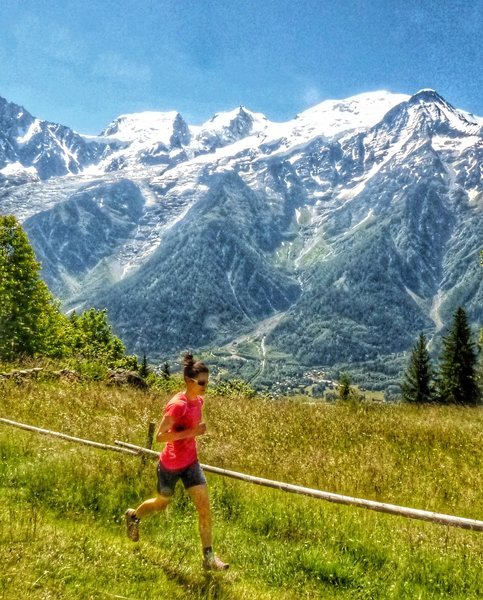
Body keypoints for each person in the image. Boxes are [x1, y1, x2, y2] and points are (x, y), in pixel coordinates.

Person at [125, 352, 229, 571]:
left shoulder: (199, 401)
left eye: (207, 382)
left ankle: (208, 558)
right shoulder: (177, 405)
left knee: (204, 508)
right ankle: (133, 516)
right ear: (188, 381)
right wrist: (192, 432)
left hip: (191, 463)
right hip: (170, 466)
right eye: (201, 383)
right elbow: (160, 437)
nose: (205, 386)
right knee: (161, 504)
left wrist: (193, 433)